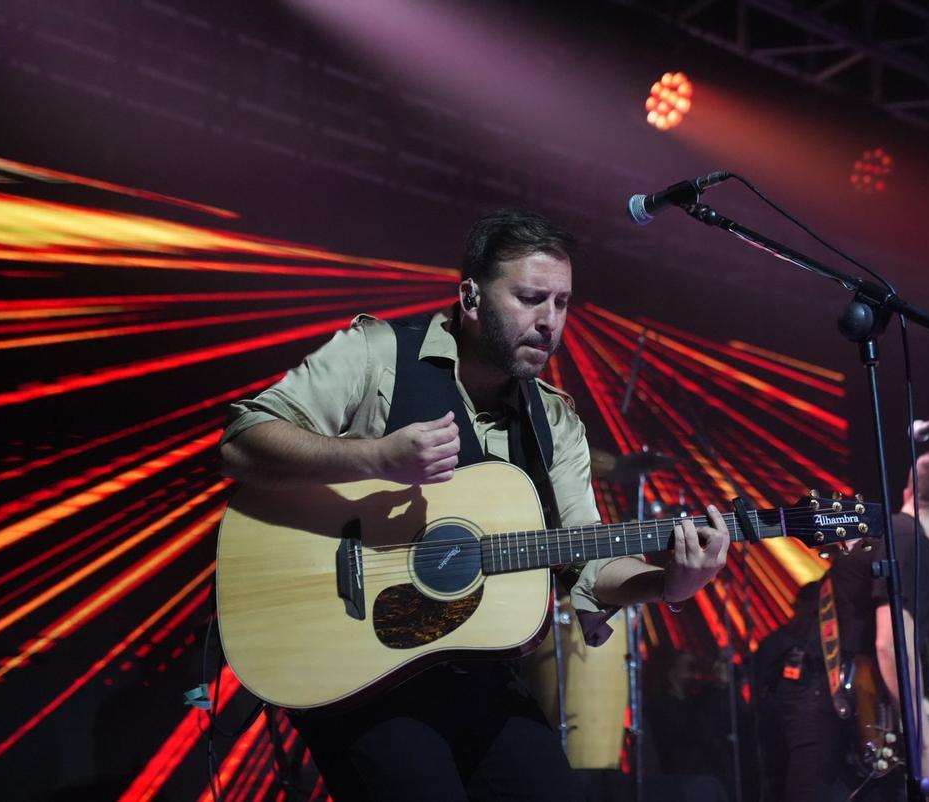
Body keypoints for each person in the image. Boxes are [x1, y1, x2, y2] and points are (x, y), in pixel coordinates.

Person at [218, 208, 731, 802]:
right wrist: (376, 460)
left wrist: (671, 584)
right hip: (358, 671)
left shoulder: (556, 420)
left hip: (480, 678)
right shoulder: (376, 352)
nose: (550, 322)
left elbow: (589, 559)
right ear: (470, 295)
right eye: (532, 298)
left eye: (562, 304)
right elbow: (242, 442)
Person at [757, 451, 929, 801]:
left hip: (827, 694)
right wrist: (926, 750)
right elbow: (892, 649)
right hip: (826, 700)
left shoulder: (893, 534)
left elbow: (891, 678)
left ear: (908, 492)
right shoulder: (908, 540)